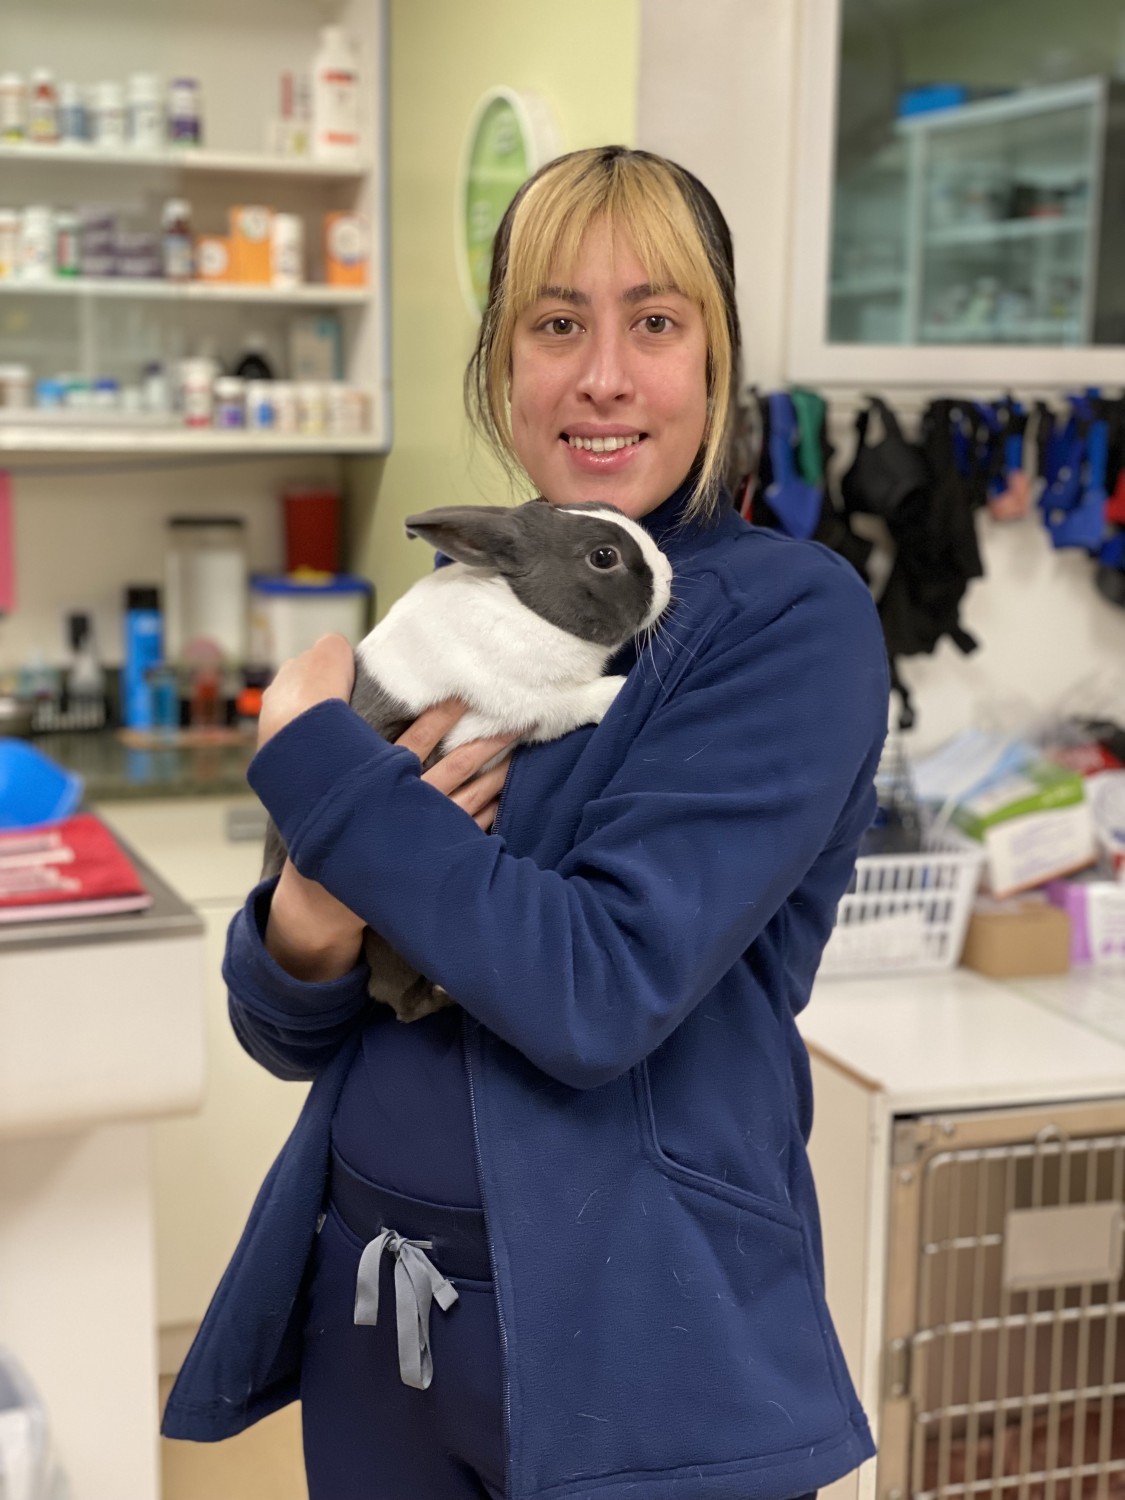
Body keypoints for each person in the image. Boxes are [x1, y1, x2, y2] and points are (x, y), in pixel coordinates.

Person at [162, 145, 889, 1500]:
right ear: (505, 362)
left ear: (714, 354)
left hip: (641, 1359)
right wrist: (312, 917)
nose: (601, 375)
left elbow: (595, 989)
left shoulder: (787, 622)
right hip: (382, 1320)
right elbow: (285, 1029)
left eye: (653, 323)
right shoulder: (478, 597)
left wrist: (317, 765)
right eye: (556, 324)